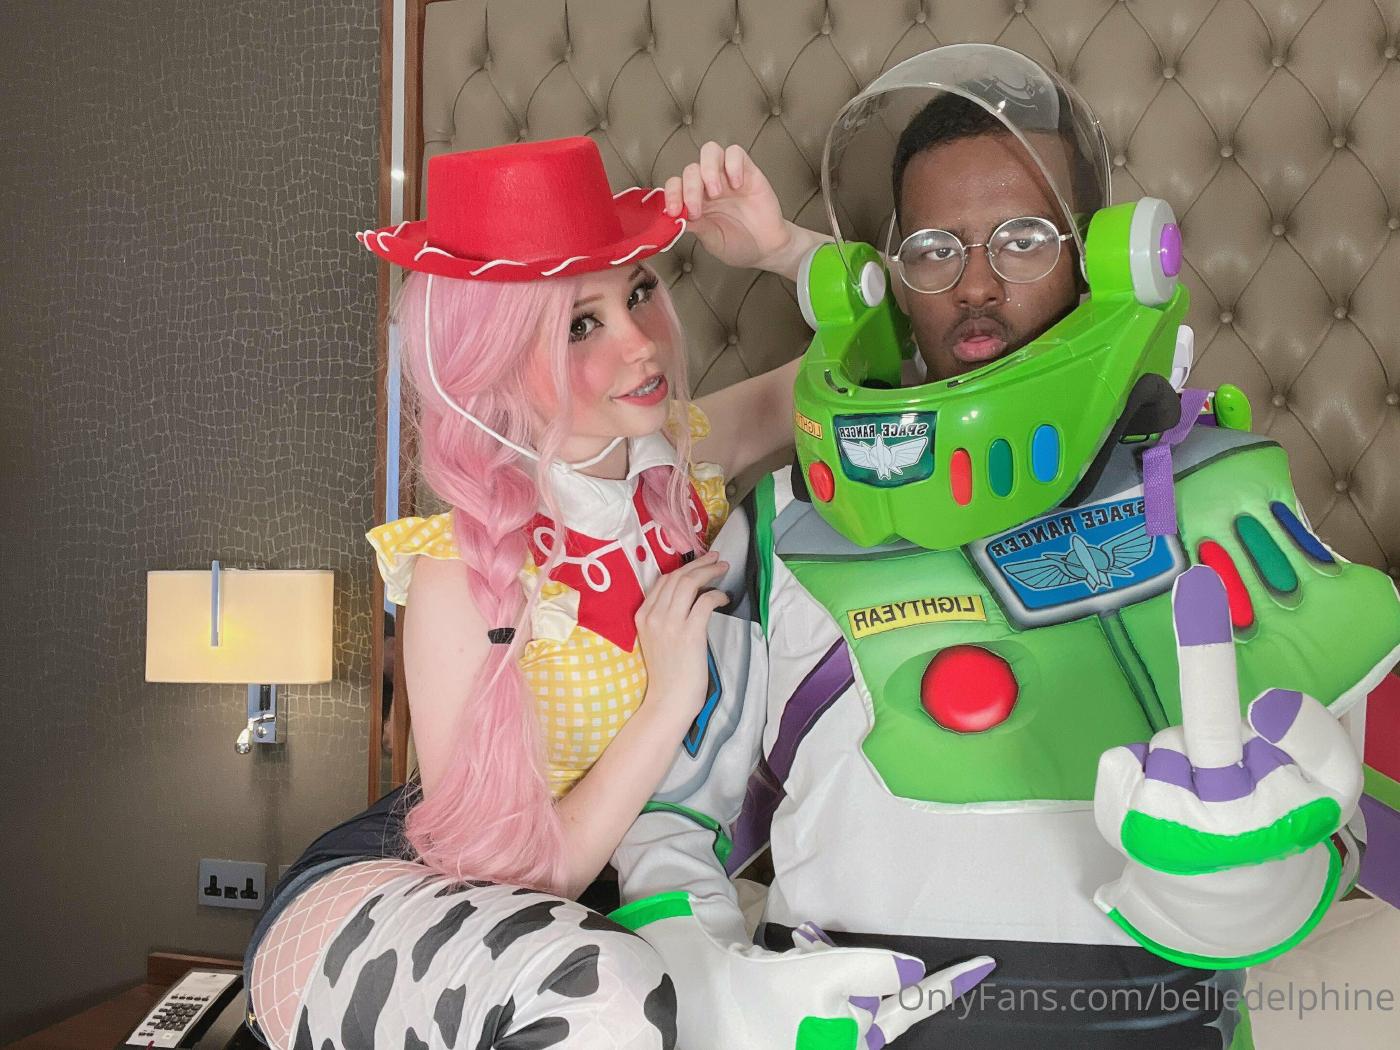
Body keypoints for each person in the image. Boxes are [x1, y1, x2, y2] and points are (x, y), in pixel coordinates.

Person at [608, 45, 1400, 1049]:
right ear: (894, 282)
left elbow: (1340, 817)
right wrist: (711, 988)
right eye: (932, 249)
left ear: (1099, 260)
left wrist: (1246, 886)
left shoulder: (1222, 495)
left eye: (1022, 240)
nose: (973, 283)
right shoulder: (789, 525)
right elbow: (671, 819)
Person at [240, 135, 983, 1050]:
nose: (641, 344)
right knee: (612, 994)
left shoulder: (684, 460)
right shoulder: (459, 575)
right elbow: (525, 879)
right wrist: (669, 700)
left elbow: (885, 357)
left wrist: (782, 248)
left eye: (636, 293)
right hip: (399, 900)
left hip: (592, 924)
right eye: (579, 326)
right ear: (494, 361)